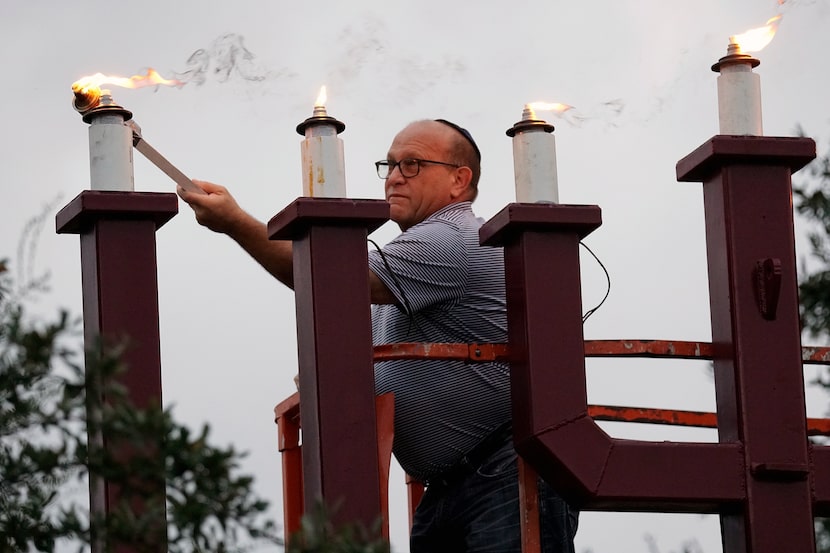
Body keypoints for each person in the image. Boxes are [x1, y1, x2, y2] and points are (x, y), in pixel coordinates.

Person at [178, 118, 578, 552]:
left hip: (503, 474)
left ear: (459, 181)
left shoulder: (451, 239)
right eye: (388, 165)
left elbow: (326, 278)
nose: (392, 178)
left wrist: (235, 221)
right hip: (452, 485)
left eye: (411, 165)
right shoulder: (406, 266)